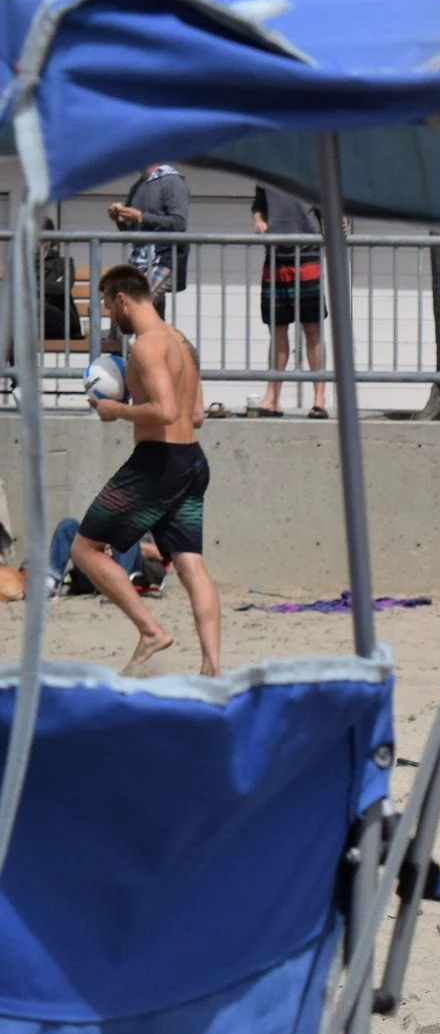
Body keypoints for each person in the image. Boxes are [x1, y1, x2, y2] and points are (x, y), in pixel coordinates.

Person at [70, 265, 218, 675]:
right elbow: (196, 415)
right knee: (190, 564)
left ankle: (151, 631)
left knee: (84, 550)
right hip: (192, 460)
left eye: (106, 304)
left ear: (122, 299)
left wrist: (116, 410)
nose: (107, 312)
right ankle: (212, 669)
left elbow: (166, 411)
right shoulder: (181, 342)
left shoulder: (146, 347)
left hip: (158, 464)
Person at [251, 183, 327, 418]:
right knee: (277, 329)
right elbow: (259, 205)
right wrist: (259, 220)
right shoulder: (265, 173)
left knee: (312, 329)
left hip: (307, 254)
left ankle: (319, 399)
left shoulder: (313, 171)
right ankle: (272, 398)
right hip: (275, 255)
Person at [107, 161, 188, 303]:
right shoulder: (138, 185)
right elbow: (132, 231)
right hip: (139, 261)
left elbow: (179, 223)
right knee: (127, 304)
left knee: (135, 303)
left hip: (164, 259)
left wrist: (141, 217)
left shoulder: (172, 181)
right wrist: (120, 220)